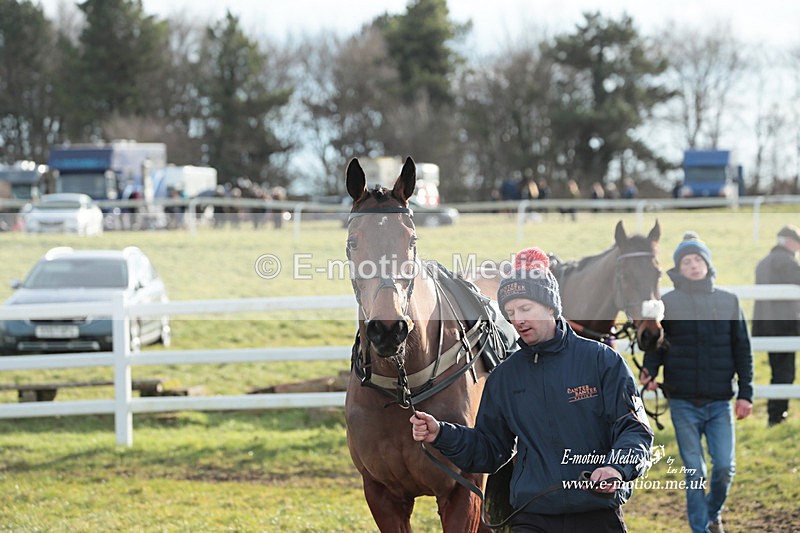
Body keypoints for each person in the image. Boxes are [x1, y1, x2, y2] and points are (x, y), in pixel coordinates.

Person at [410, 247, 653, 532]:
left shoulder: (603, 361)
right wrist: (441, 433)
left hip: (597, 511)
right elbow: (490, 449)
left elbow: (634, 429)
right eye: (511, 313)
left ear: (550, 306)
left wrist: (617, 468)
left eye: (526, 309)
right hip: (531, 516)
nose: (518, 320)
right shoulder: (504, 377)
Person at [640, 232, 753, 533]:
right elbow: (657, 344)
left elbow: (743, 349)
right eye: (686, 261)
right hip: (682, 401)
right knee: (695, 472)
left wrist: (746, 394)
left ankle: (711, 514)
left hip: (719, 402)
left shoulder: (728, 301)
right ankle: (701, 529)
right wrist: (650, 370)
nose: (692, 265)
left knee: (725, 468)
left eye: (697, 259)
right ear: (679, 268)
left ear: (707, 264)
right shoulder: (668, 302)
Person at [753, 225, 800, 426]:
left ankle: (775, 414)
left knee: (777, 371)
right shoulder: (789, 263)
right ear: (790, 242)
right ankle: (777, 416)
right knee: (785, 373)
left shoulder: (763, 263)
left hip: (765, 326)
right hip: (786, 327)